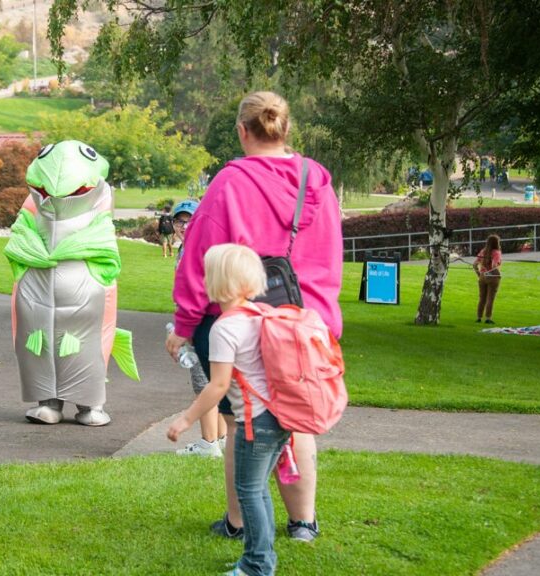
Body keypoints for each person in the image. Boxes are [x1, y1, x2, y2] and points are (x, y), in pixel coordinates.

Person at [166, 91, 343, 543]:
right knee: (296, 417)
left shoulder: (230, 182)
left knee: (239, 420)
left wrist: (185, 325)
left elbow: (199, 258)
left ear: (243, 131)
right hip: (306, 320)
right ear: (285, 129)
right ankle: (303, 522)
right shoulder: (316, 179)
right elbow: (331, 253)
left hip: (243, 318)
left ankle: (238, 521)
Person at [168, 243, 284, 576]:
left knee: (248, 490)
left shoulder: (224, 328)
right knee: (257, 487)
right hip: (278, 418)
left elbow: (217, 385)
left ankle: (257, 564)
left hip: (254, 422)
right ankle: (263, 557)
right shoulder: (261, 314)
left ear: (218, 283)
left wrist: (185, 419)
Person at [171, 199, 227, 458]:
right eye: (179, 221)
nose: (184, 226)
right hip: (208, 321)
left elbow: (196, 289)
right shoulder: (185, 248)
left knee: (203, 383)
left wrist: (186, 324)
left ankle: (208, 443)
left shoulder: (195, 251)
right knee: (216, 381)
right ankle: (222, 437)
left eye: (189, 220)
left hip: (201, 322)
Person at [473, 234, 502, 324]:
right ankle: (488, 318)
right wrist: (498, 274)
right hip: (492, 277)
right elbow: (494, 265)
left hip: (482, 276)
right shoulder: (496, 252)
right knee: (490, 298)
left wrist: (479, 274)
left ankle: (479, 317)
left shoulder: (483, 251)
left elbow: (474, 264)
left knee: (482, 298)